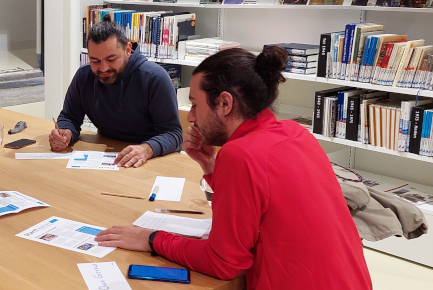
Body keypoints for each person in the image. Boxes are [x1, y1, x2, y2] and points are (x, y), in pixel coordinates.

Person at [94, 47, 371, 289]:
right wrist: (211, 167)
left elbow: (223, 262)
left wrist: (151, 239)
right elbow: (264, 202)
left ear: (225, 103)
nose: (190, 117)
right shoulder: (295, 133)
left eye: (194, 105)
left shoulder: (241, 155)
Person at [49, 20, 182, 168]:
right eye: (95, 61)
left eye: (111, 59)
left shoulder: (154, 78)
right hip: (108, 157)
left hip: (150, 160)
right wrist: (65, 133)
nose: (103, 68)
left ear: (127, 50)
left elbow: (173, 134)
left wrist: (147, 149)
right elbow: (69, 117)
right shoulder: (84, 77)